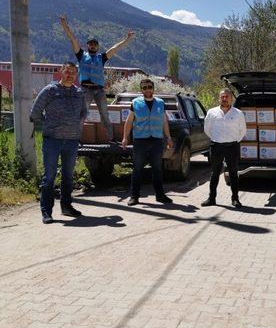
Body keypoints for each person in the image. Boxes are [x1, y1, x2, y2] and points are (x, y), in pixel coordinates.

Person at [60, 14, 134, 144]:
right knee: (82, 114)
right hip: (85, 89)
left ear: (98, 46)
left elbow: (115, 48)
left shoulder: (102, 57)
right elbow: (72, 38)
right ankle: (76, 139)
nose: (93, 46)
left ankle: (111, 139)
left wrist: (127, 39)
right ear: (87, 45)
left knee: (105, 114)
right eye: (91, 44)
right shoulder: (81, 55)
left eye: (95, 44)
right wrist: (64, 24)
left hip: (99, 90)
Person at [30, 62, 87, 224]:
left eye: (73, 73)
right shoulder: (50, 91)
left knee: (68, 176)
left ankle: (67, 207)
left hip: (72, 141)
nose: (70, 75)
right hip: (52, 141)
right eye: (67, 72)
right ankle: (46, 212)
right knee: (49, 177)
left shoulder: (79, 93)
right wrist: (49, 124)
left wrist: (76, 126)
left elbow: (84, 113)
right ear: (61, 72)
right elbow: (35, 112)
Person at [121, 79, 173, 206]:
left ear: (153, 89)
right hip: (140, 140)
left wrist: (169, 137)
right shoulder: (135, 103)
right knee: (137, 169)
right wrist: (125, 137)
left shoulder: (160, 103)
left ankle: (160, 195)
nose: (147, 89)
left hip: (156, 140)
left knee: (157, 169)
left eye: (149, 87)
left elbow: (164, 121)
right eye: (144, 87)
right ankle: (134, 196)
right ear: (141, 90)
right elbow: (129, 121)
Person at [202, 89, 246, 208]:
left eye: (227, 96)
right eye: (222, 97)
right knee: (215, 173)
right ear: (219, 98)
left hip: (232, 146)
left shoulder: (238, 113)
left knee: (233, 173)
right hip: (217, 146)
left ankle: (235, 199)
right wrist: (217, 139)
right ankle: (211, 198)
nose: (224, 99)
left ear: (231, 98)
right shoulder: (212, 112)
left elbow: (243, 131)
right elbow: (207, 129)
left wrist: (234, 140)